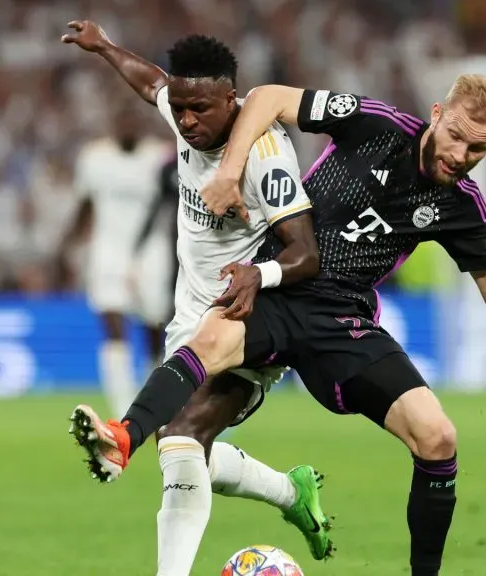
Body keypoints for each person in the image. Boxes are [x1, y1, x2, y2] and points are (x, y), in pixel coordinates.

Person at [75, 76, 486, 576]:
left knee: (439, 437)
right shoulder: (375, 123)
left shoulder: (462, 206)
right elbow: (269, 97)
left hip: (342, 320)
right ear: (437, 113)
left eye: (476, 149)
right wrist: (230, 173)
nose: (458, 154)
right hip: (277, 281)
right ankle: (125, 436)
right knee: (206, 356)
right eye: (454, 135)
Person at [59, 20, 334, 569]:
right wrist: (106, 46)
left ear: (231, 99)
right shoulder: (186, 108)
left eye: (200, 110)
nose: (186, 121)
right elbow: (150, 83)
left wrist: (261, 276)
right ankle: (290, 492)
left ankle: (124, 444)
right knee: (183, 446)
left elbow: (305, 253)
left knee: (181, 435)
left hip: (246, 323)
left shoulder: (265, 154)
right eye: (180, 109)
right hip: (191, 322)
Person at [66, 106, 174, 416]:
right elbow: (85, 204)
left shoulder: (160, 156)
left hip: (151, 251)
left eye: (132, 119)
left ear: (141, 124)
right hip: (108, 251)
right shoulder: (94, 158)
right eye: (121, 119)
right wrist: (67, 244)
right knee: (112, 323)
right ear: (113, 124)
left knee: (154, 327)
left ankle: (152, 401)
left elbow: (173, 202)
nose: (127, 125)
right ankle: (122, 408)